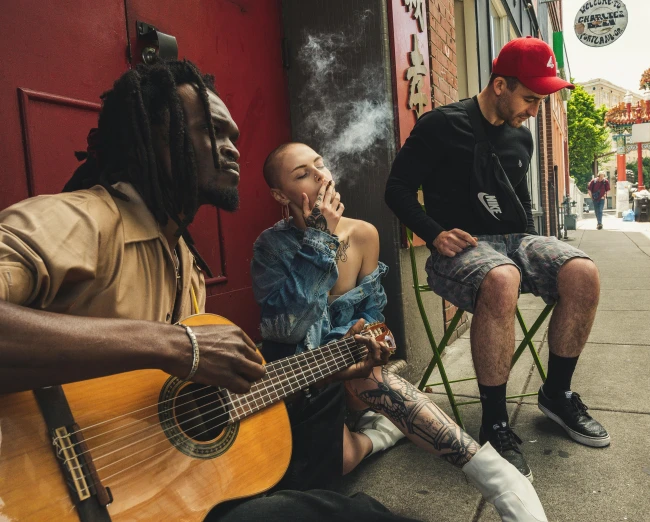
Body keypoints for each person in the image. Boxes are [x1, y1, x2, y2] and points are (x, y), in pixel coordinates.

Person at [0, 59, 416, 522]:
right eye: (211, 132)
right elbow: (186, 349)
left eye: (233, 137)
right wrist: (179, 344)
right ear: (155, 137)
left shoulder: (184, 261)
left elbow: (168, 406)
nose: (232, 149)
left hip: (155, 495)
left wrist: (326, 369)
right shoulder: (78, 220)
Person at [251, 142, 548, 522]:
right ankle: (381, 435)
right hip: (303, 380)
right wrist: (318, 241)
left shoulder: (363, 235)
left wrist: (374, 343)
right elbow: (286, 329)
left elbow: (374, 317)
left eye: (320, 165)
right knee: (341, 462)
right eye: (303, 174)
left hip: (355, 375)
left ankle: (501, 480)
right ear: (279, 194)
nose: (322, 176)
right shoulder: (270, 247)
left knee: (363, 372)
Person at [385, 36, 609, 481]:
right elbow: (397, 190)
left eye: (541, 101)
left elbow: (520, 206)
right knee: (502, 277)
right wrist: (433, 233)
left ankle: (557, 395)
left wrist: (541, 254)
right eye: (530, 98)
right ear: (500, 85)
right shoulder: (440, 126)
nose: (534, 111)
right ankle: (495, 421)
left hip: (514, 240)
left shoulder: (521, 138)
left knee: (582, 270)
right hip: (461, 248)